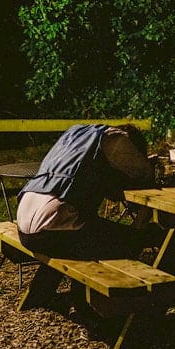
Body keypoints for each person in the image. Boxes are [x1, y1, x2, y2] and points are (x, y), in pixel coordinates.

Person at [13, 123, 156, 315]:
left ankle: (60, 294)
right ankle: (99, 306)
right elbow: (144, 172)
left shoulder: (76, 134)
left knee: (102, 234)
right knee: (132, 241)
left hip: (26, 223)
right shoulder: (116, 139)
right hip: (53, 228)